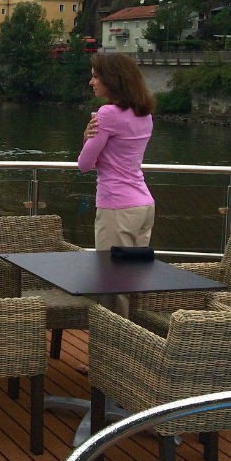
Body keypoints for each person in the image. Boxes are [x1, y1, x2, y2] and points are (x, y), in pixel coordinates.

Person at [78, 53, 155, 317]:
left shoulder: (107, 114)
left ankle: (109, 352)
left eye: (96, 76)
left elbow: (85, 164)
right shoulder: (144, 113)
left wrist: (86, 137)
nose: (91, 82)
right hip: (143, 205)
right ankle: (134, 347)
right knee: (134, 279)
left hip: (117, 207)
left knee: (111, 284)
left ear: (113, 80)